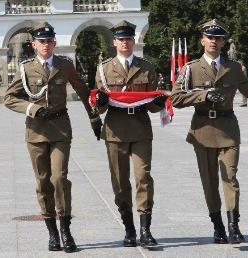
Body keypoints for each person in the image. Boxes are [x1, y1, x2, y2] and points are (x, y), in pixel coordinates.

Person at [169, 19, 248, 245]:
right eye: (210, 37)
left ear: (223, 42)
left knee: (230, 177)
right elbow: (176, 98)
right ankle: (218, 226)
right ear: (202, 40)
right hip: (202, 130)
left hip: (228, 130)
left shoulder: (233, 68)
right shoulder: (190, 69)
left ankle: (234, 226)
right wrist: (203, 96)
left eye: (218, 38)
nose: (214, 41)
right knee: (210, 181)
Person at [2, 21, 98, 253]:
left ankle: (66, 229)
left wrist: (95, 118)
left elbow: (83, 91)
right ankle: (52, 232)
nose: (46, 45)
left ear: (54, 43)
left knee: (60, 178)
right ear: (34, 45)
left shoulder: (65, 65)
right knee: (43, 182)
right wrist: (32, 109)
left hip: (60, 129)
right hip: (35, 131)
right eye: (41, 42)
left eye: (49, 41)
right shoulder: (25, 69)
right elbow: (9, 98)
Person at [92, 20, 163, 247]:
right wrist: (101, 102)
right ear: (114, 42)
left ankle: (145, 229)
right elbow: (99, 107)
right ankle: (129, 228)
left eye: (129, 39)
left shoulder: (147, 67)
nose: (125, 42)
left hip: (141, 128)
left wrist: (159, 103)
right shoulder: (103, 69)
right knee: (120, 182)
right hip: (115, 130)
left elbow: (151, 105)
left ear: (134, 41)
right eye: (121, 39)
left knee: (143, 177)